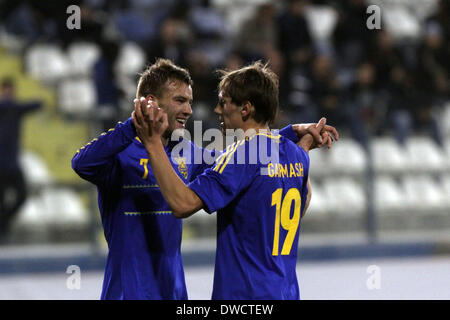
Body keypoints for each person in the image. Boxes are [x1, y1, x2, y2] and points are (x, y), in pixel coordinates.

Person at [72, 58, 337, 300]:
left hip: (174, 291)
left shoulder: (187, 151)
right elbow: (81, 163)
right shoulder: (120, 154)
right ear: (151, 101)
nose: (189, 110)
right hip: (127, 292)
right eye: (180, 100)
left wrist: (288, 133)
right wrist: (134, 125)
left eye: (189, 101)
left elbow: (243, 161)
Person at [0, 78, 41, 244]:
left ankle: (3, 224)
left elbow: (37, 104)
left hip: (12, 164)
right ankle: (3, 230)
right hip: (1, 165)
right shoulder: (8, 108)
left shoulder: (14, 110)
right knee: (2, 200)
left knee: (21, 196)